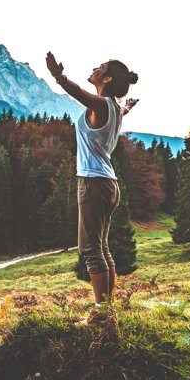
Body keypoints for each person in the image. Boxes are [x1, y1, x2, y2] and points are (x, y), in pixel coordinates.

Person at [45, 52, 139, 327]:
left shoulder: (100, 104)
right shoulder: (114, 109)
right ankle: (106, 311)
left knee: (90, 249)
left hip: (93, 183)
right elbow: (121, 110)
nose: (94, 68)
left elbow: (77, 93)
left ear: (107, 79)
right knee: (102, 247)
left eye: (100, 68)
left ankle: (100, 314)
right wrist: (129, 107)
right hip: (108, 184)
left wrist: (58, 76)